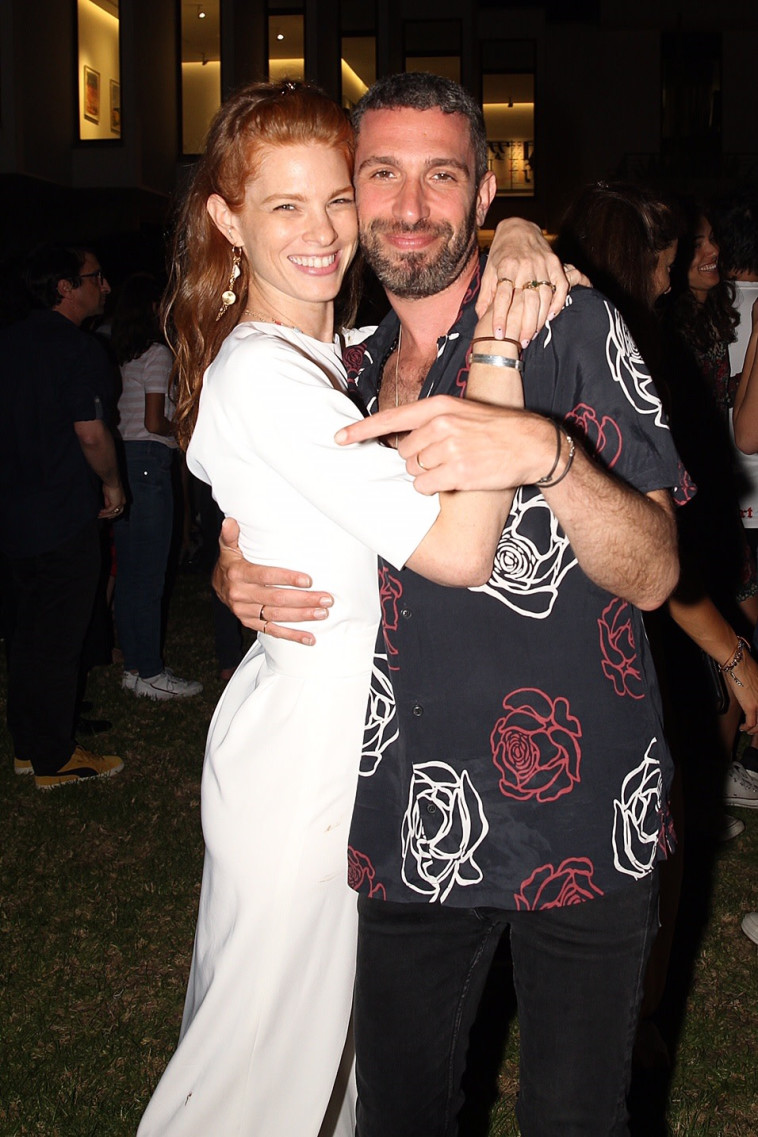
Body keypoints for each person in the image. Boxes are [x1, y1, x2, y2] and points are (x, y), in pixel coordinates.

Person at [216, 73, 682, 1137]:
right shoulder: (345, 369)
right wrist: (233, 574)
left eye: (442, 176)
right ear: (351, 194)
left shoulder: (567, 324)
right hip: (407, 818)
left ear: (483, 196)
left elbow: (657, 570)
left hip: (583, 811)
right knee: (401, 1112)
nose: (410, 206)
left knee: (573, 1119)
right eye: (381, 175)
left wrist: (549, 455)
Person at [137, 79, 549, 1137]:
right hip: (307, 760)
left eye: (334, 198)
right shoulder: (267, 377)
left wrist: (510, 235)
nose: (321, 232)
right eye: (283, 206)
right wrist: (497, 348)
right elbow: (458, 550)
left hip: (350, 744)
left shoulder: (341, 356)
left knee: (338, 1055)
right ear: (227, 220)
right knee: (259, 1071)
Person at [0, 244, 125, 789]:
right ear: (64, 288)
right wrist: (113, 483)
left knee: (26, 635)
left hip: (14, 515)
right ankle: (54, 759)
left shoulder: (8, 343)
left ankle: (30, 746)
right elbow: (91, 433)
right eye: (95, 277)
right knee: (57, 638)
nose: (106, 287)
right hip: (62, 511)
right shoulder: (77, 348)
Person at [111, 273, 202, 701]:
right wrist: (183, 432)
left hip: (125, 462)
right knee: (148, 575)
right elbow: (153, 422)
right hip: (149, 463)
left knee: (131, 573)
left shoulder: (126, 356)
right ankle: (149, 671)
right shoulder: (159, 354)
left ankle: (134, 666)